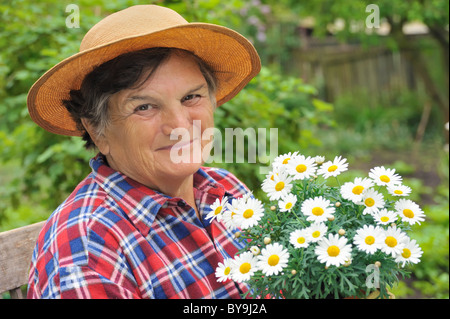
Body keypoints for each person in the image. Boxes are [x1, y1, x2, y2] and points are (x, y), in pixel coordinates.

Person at [26, 5, 260, 299]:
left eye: (191, 97)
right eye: (144, 107)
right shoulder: (89, 250)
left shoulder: (226, 190)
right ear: (98, 131)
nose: (178, 125)